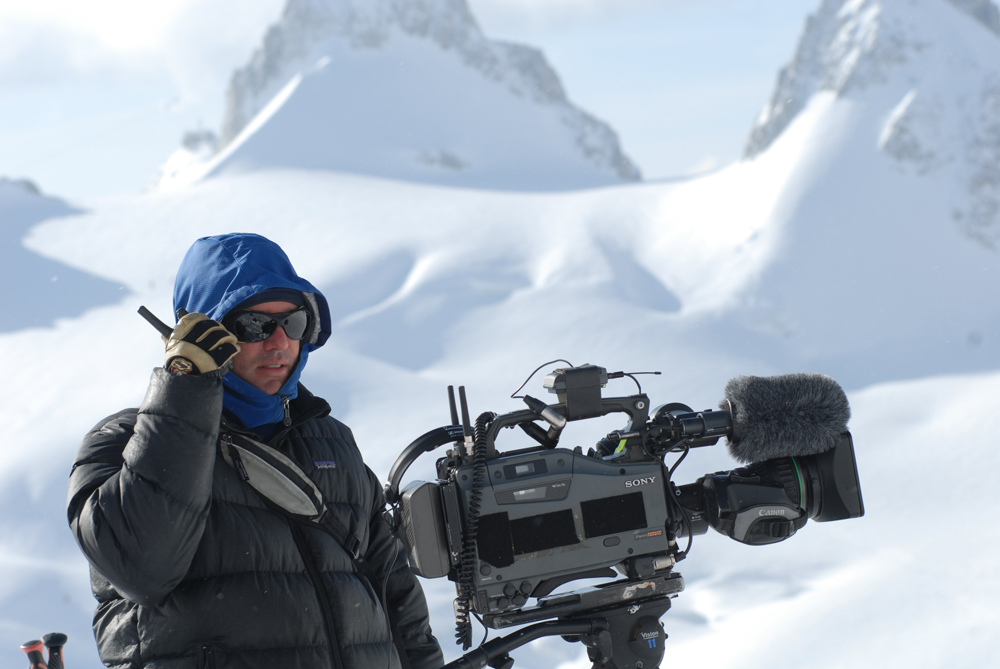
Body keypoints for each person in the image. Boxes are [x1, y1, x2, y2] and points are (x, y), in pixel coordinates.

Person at [66, 233, 443, 669]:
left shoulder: (331, 440)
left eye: (294, 323)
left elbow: (397, 600)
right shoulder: (125, 441)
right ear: (202, 332)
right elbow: (140, 567)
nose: (279, 343)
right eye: (254, 326)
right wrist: (186, 389)